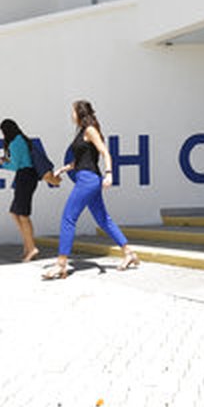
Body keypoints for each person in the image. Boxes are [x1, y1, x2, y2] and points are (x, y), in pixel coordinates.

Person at [44, 100, 140, 279]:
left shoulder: (90, 130)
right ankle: (129, 253)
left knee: (68, 218)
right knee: (103, 220)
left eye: (72, 111)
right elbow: (82, 159)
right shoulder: (82, 131)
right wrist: (64, 168)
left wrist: (109, 174)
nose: (71, 115)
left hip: (88, 180)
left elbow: (105, 153)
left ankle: (61, 264)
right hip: (86, 177)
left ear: (80, 113)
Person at [0, 119, 59, 262]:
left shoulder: (16, 142)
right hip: (26, 177)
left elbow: (15, 165)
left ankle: (31, 248)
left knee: (23, 215)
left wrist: (1, 163)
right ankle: (28, 244)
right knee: (15, 212)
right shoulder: (21, 139)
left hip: (25, 177)